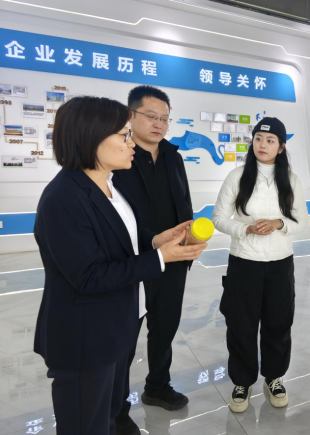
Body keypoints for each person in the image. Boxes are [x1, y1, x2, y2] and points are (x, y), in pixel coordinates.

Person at [33, 96, 206, 435]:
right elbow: (90, 276)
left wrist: (156, 240)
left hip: (114, 327)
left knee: (108, 416)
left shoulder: (108, 184)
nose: (132, 144)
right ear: (92, 139)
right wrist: (161, 258)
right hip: (85, 338)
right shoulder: (63, 199)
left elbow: (120, 238)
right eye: (124, 136)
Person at [212, 117, 308, 413]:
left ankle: (274, 377)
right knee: (240, 324)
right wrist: (246, 229)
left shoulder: (291, 180)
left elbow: (301, 221)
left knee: (278, 323)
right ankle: (242, 381)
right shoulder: (237, 176)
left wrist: (279, 223)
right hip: (244, 262)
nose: (262, 145)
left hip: (280, 264)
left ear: (281, 147)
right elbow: (219, 218)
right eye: (258, 139)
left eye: (270, 140)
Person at [113, 85, 195, 434]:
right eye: (151, 116)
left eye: (164, 118)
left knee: (165, 328)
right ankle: (117, 407)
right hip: (133, 262)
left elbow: (184, 201)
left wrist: (190, 237)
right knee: (124, 337)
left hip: (173, 260)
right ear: (130, 116)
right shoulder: (120, 157)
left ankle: (157, 386)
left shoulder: (174, 157)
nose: (159, 124)